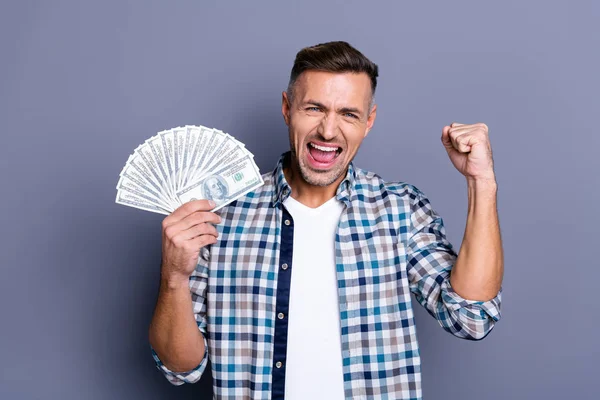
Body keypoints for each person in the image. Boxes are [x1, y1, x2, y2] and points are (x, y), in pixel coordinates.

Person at [149, 41, 503, 400]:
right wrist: (174, 277)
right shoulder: (219, 214)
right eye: (314, 108)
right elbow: (181, 368)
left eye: (348, 114)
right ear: (288, 109)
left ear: (369, 121)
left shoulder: (400, 211)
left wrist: (482, 182)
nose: (328, 131)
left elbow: (470, 317)